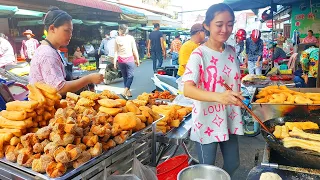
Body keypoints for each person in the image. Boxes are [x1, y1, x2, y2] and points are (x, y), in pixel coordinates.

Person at [183, 3, 243, 177]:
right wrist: (220, 97)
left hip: (230, 118)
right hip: (206, 121)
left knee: (233, 164)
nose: (225, 29)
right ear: (207, 26)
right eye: (219, 24)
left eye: (230, 24)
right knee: (206, 171)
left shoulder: (232, 51)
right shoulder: (199, 55)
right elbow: (187, 90)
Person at [29, 7, 103, 95]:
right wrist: (88, 79)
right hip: (46, 107)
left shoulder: (53, 50)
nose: (70, 35)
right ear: (52, 28)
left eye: (71, 31)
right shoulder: (47, 53)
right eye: (67, 31)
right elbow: (59, 88)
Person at [113, 24, 140, 98]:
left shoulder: (117, 39)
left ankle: (128, 92)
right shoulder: (130, 38)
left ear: (120, 30)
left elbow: (115, 51)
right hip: (129, 59)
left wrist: (114, 62)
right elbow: (134, 50)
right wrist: (137, 59)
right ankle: (125, 91)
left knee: (125, 77)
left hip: (121, 60)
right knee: (130, 76)